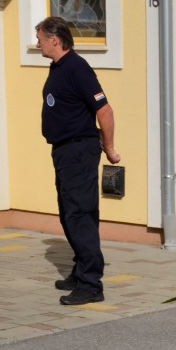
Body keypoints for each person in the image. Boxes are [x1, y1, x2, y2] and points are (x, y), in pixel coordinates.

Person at [35, 16, 120, 306]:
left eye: (40, 39)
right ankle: (81, 269)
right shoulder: (59, 67)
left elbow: (104, 110)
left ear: (55, 39)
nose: (38, 44)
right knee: (69, 213)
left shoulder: (77, 67)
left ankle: (90, 284)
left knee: (80, 214)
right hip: (64, 151)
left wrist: (110, 148)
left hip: (79, 151)